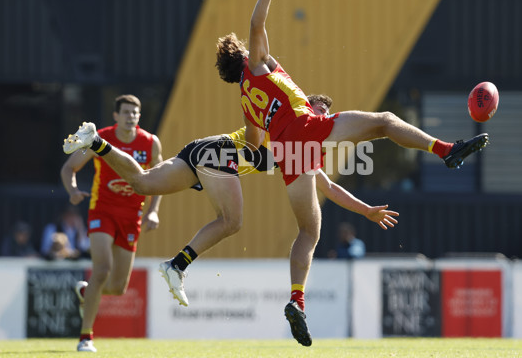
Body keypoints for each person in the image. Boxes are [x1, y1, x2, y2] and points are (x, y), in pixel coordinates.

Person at [214, 0, 490, 346]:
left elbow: (258, 148)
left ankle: (297, 299)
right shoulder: (257, 65)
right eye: (249, 49)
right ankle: (446, 150)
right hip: (306, 129)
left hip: (288, 155)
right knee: (385, 120)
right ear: (243, 57)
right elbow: (257, 25)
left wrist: (366, 211)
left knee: (309, 231)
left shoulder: (247, 104)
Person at [62, 95, 399, 337]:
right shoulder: (290, 128)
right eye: (318, 111)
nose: (323, 118)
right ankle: (176, 265)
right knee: (233, 221)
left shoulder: (305, 147)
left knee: (142, 183)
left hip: (202, 149)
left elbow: (327, 187)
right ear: (305, 108)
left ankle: (96, 143)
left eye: (327, 114)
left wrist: (367, 210)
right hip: (220, 155)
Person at [60, 94, 163, 353]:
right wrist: (72, 190)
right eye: (126, 112)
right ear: (115, 115)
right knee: (103, 269)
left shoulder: (150, 143)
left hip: (131, 218)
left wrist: (153, 212)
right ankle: (86, 337)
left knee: (117, 288)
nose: (131, 116)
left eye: (135, 112)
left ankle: (88, 293)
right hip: (102, 212)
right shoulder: (98, 138)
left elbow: (159, 179)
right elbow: (68, 168)